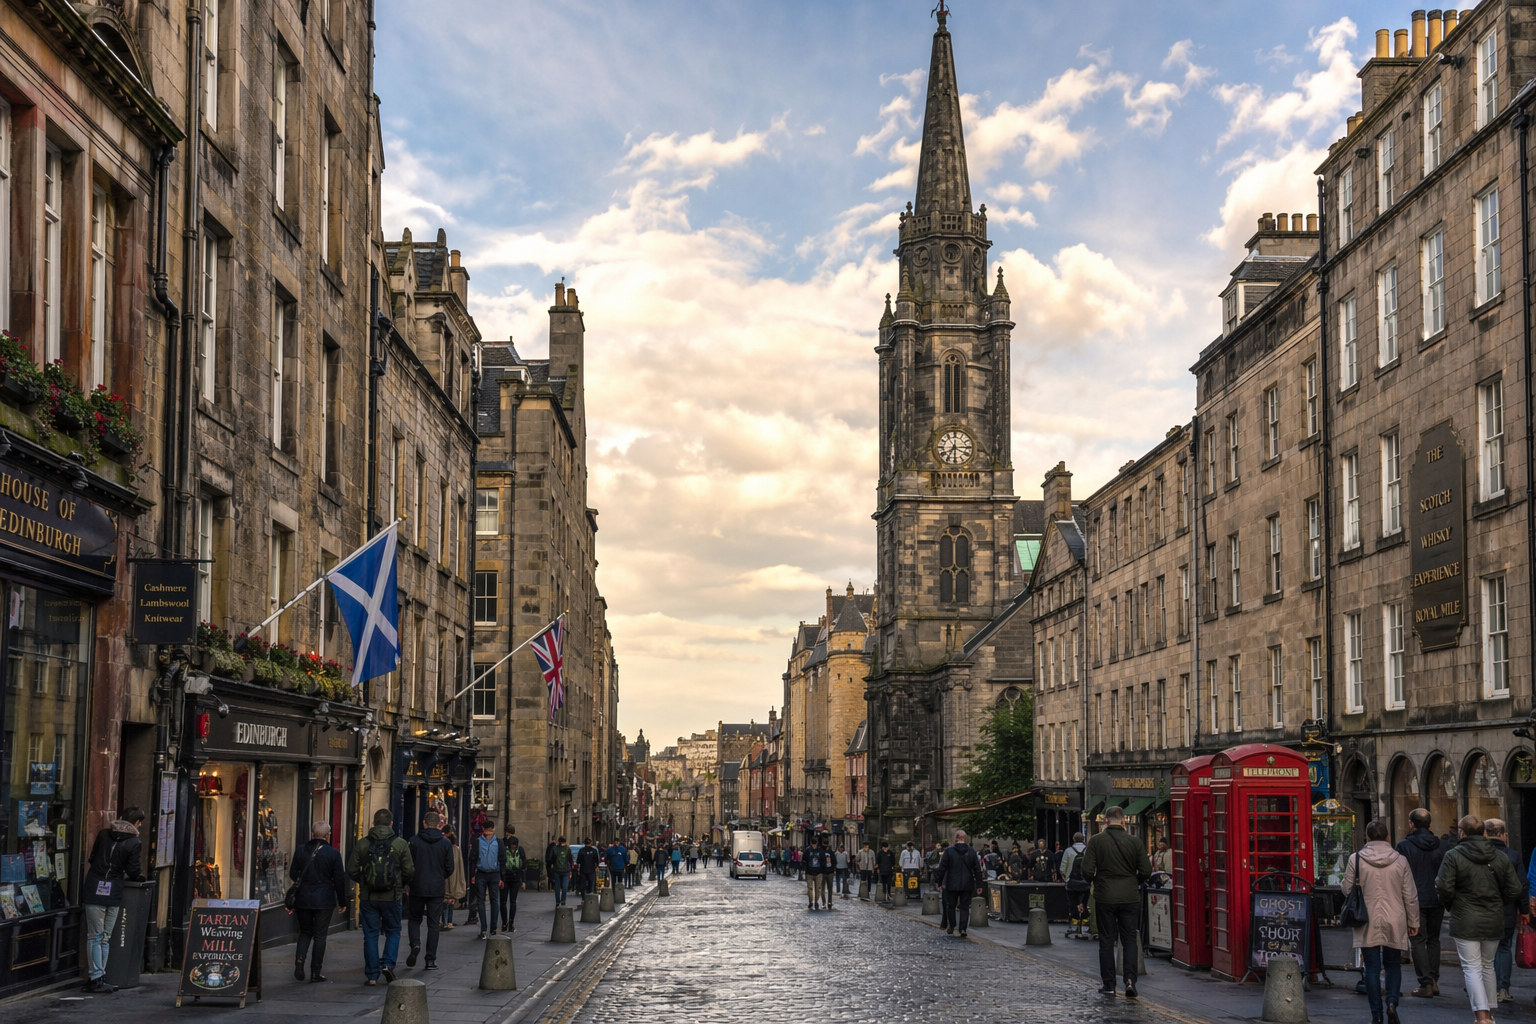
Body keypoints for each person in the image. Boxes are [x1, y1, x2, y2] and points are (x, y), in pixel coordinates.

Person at [1436, 814, 1523, 1024]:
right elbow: (1515, 888)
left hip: (1465, 917)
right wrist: (1498, 902)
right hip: (1493, 917)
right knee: (1487, 966)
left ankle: (1482, 1015)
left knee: (1472, 967)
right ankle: (1490, 1012)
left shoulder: (1453, 855)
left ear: (1461, 833)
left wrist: (1453, 905)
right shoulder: (1500, 856)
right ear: (1484, 832)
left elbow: (1444, 887)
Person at [1342, 819, 1419, 1024]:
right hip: (1396, 917)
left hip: (1366, 919)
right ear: (1387, 838)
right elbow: (1410, 895)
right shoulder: (1400, 860)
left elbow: (1346, 889)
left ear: (1366, 838)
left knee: (1372, 968)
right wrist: (1414, 921)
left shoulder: (1355, 859)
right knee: (1393, 964)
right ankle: (1392, 1002)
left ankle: (1376, 1014)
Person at [1082, 805, 1154, 998]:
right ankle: (1130, 981)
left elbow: (1087, 870)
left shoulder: (1096, 841)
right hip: (1130, 897)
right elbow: (1146, 870)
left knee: (1106, 941)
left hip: (1105, 897)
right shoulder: (1135, 842)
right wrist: (1134, 881)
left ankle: (1109, 985)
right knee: (1129, 939)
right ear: (1123, 821)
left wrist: (1097, 880)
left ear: (1106, 821)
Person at [80, 807, 146, 993]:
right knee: (104, 938)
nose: (140, 825)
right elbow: (133, 871)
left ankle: (96, 977)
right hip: (114, 890)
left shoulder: (103, 834)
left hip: (94, 887)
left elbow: (92, 858)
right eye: (139, 822)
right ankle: (99, 977)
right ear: (135, 823)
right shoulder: (134, 842)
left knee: (94, 936)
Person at [348, 808, 413, 986]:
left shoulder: (362, 844)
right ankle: (388, 964)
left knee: (370, 934)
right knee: (393, 931)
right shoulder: (400, 844)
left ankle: (371, 976)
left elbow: (351, 869)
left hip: (368, 897)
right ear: (391, 824)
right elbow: (409, 870)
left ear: (373, 823)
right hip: (392, 896)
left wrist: (364, 881)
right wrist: (398, 884)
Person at [1398, 807, 1448, 999]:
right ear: (1430, 824)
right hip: (1437, 898)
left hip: (1414, 898)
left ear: (1412, 824)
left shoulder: (1404, 846)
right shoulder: (1443, 846)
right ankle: (1434, 979)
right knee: (1434, 939)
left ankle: (1425, 982)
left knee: (1417, 938)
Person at [290, 821, 349, 983]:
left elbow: (293, 873)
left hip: (303, 898)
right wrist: (342, 902)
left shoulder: (301, 850)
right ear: (327, 836)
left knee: (305, 931)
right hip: (324, 899)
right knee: (320, 935)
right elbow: (339, 879)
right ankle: (315, 972)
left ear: (312, 834)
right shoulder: (333, 854)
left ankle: (299, 960)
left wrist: (305, 882)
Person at [405, 811, 455, 971]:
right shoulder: (446, 844)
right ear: (439, 824)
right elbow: (450, 868)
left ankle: (415, 944)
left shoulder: (413, 841)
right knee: (433, 924)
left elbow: (408, 867)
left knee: (414, 919)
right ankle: (430, 960)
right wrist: (439, 876)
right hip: (436, 888)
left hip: (417, 886)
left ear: (424, 823)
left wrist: (409, 882)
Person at [1484, 818, 1520, 1004]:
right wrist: (1523, 909)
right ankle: (1503, 988)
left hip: (1481, 911)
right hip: (1506, 910)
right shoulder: (1513, 856)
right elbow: (1520, 885)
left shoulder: (1477, 854)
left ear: (1485, 834)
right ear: (1504, 835)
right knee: (1504, 948)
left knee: (1484, 950)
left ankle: (1486, 990)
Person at [936, 829, 983, 936]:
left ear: (956, 838)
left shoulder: (949, 851)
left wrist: (939, 883)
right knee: (964, 907)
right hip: (967, 883)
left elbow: (942, 868)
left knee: (951, 906)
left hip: (952, 883)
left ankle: (951, 926)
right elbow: (977, 869)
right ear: (964, 838)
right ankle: (963, 928)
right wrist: (979, 884)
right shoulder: (971, 851)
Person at [471, 819, 506, 937]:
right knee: (481, 901)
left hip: (494, 874)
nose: (489, 832)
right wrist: (473, 875)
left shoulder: (499, 842)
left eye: (491, 830)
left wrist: (502, 877)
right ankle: (483, 929)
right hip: (481, 873)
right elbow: (473, 859)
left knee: (494, 900)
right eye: (488, 830)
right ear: (484, 830)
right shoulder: (478, 842)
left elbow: (502, 860)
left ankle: (493, 928)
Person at [1060, 832, 1090, 936]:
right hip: (1085, 883)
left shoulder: (1068, 851)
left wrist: (1065, 877)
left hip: (1072, 883)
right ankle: (1085, 922)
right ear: (1083, 839)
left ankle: (1074, 923)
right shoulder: (1088, 850)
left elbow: (1062, 867)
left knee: (1072, 903)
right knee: (1085, 902)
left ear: (1073, 839)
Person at [440, 828, 465, 931]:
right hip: (453, 876)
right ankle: (449, 921)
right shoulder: (457, 849)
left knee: (445, 899)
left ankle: (445, 921)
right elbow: (460, 866)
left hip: (446, 876)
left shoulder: (445, 848)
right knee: (451, 899)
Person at [501, 833, 526, 931]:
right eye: (512, 845)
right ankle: (504, 922)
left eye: (514, 845)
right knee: (503, 901)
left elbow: (523, 866)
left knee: (513, 901)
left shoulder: (520, 851)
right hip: (506, 877)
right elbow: (501, 862)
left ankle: (511, 922)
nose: (513, 847)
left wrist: (523, 881)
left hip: (515, 878)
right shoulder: (504, 850)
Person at [549, 836, 573, 905]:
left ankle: (559, 901)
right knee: (562, 887)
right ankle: (561, 901)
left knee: (559, 887)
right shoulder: (566, 849)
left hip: (560, 870)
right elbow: (570, 860)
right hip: (562, 870)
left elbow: (551, 858)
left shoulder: (556, 848)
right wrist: (570, 869)